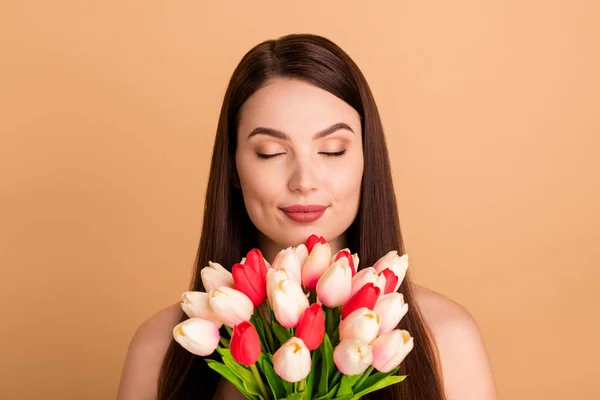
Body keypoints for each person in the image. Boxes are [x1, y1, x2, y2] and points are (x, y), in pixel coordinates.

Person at [116, 33, 497, 400]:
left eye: (332, 150)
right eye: (269, 152)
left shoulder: (446, 339)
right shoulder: (162, 347)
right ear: (233, 166)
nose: (304, 181)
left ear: (368, 159)